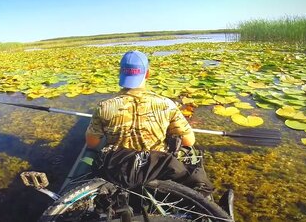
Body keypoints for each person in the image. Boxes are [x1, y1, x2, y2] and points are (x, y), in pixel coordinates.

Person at [85, 50, 214, 196]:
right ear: (147, 74)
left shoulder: (104, 106)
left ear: (120, 73)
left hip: (120, 169)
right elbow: (188, 141)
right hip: (157, 167)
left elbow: (92, 143)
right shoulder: (166, 104)